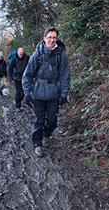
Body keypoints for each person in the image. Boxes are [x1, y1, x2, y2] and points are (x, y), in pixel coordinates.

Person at [22, 27, 70, 157]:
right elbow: (27, 75)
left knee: (52, 121)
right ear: (44, 39)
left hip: (54, 93)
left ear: (56, 39)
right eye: (49, 37)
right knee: (39, 120)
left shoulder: (61, 56)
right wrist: (27, 92)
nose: (52, 40)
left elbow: (65, 76)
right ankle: (37, 143)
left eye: (54, 37)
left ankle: (47, 134)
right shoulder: (37, 55)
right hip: (38, 93)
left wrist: (64, 94)